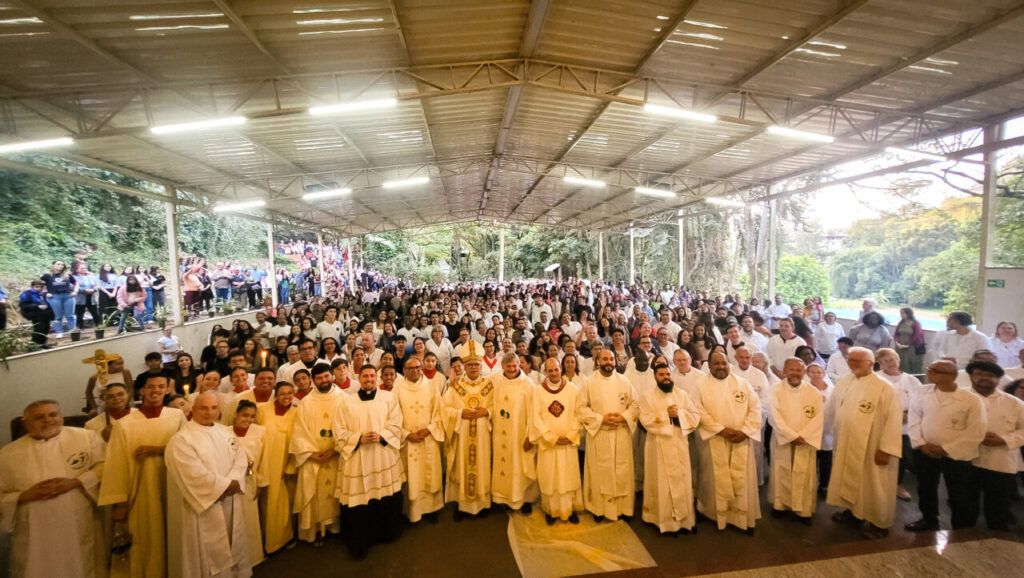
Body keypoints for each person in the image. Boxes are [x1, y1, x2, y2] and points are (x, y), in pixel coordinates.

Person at [0, 400, 106, 578]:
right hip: (34, 533)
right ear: (25, 422)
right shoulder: (7, 454)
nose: (47, 420)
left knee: (83, 565)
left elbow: (106, 467)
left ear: (61, 416)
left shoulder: (87, 438)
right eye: (39, 417)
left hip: (77, 523)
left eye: (52, 415)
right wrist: (24, 495)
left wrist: (76, 482)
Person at [98, 374, 188, 578]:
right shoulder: (124, 424)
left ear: (167, 390)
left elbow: (187, 449)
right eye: (151, 387)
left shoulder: (176, 417)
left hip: (172, 486)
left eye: (161, 386)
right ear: (141, 391)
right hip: (140, 492)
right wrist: (120, 502)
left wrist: (157, 450)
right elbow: (116, 464)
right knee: (146, 536)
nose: (156, 390)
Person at [164, 391, 250, 578]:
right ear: (193, 409)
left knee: (232, 540)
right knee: (206, 553)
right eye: (203, 407)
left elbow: (240, 457)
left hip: (228, 499)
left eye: (213, 408)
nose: (209, 412)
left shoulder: (223, 431)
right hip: (204, 504)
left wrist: (235, 480)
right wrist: (225, 486)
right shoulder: (181, 439)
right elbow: (191, 473)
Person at [826, 347, 902, 539]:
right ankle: (853, 513)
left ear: (870, 363)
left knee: (876, 485)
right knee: (850, 479)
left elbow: (893, 420)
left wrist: (887, 449)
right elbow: (831, 410)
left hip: (873, 446)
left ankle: (879, 523)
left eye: (857, 362)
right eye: (850, 361)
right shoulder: (844, 382)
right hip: (846, 442)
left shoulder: (883, 387)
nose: (852, 365)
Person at [905, 359, 986, 532]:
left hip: (956, 453)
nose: (930, 372)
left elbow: (976, 430)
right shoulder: (922, 391)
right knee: (926, 486)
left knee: (959, 490)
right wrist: (921, 444)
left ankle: (961, 525)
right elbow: (914, 418)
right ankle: (928, 519)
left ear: (953, 376)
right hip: (925, 450)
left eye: (936, 370)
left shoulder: (970, 399)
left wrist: (946, 449)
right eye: (930, 369)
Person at [333, 364, 405, 559]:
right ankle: (362, 540)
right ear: (359, 378)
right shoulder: (347, 403)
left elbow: (397, 423)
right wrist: (358, 438)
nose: (369, 380)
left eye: (372, 376)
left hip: (382, 455)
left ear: (377, 378)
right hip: (358, 459)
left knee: (384, 495)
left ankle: (386, 534)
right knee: (361, 500)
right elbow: (338, 431)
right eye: (365, 376)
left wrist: (382, 435)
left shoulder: (388, 398)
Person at [693, 352, 762, 534]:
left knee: (741, 480)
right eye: (716, 364)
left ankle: (741, 517)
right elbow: (698, 411)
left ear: (729, 363)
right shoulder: (701, 385)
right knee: (713, 480)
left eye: (724, 363)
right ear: (709, 365)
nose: (721, 367)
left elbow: (755, 408)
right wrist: (720, 430)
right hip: (714, 439)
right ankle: (714, 514)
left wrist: (745, 431)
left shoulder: (742, 384)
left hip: (741, 439)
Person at [576, 349, 638, 521]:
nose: (609, 362)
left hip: (620, 433)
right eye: (605, 359)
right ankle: (599, 509)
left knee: (622, 472)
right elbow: (580, 408)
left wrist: (624, 417)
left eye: (611, 359)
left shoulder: (624, 381)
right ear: (598, 361)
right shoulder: (589, 382)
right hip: (600, 434)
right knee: (600, 473)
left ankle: (623, 509)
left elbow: (634, 405)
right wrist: (600, 419)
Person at [639, 361, 700, 534]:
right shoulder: (647, 396)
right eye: (661, 375)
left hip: (679, 444)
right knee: (661, 484)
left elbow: (695, 416)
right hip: (658, 446)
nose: (666, 378)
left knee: (682, 480)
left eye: (667, 375)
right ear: (655, 377)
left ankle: (685, 521)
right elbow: (645, 419)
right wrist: (667, 416)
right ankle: (663, 521)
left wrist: (679, 415)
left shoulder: (682, 394)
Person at [289, 363, 345, 546]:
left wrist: (335, 449)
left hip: (337, 455)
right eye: (319, 378)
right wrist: (309, 454)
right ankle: (316, 532)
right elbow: (299, 430)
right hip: (314, 456)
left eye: (326, 376)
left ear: (332, 376)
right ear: (313, 380)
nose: (324, 380)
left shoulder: (344, 398)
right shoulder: (306, 402)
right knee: (315, 493)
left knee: (337, 491)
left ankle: (335, 528)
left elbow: (350, 425)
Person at [968, 361, 1024, 531]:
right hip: (967, 458)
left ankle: (998, 543)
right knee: (965, 505)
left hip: (1001, 459)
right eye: (979, 374)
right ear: (971, 376)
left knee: (998, 506)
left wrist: (1003, 439)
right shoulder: (960, 398)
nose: (984, 378)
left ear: (999, 379)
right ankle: (963, 539)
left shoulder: (1014, 403)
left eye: (990, 375)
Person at [441, 341, 495, 519]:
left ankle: (483, 503)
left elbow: (498, 407)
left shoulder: (490, 386)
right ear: (463, 366)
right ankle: (462, 504)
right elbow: (444, 409)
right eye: (470, 364)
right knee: (462, 467)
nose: (473, 368)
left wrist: (486, 411)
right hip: (462, 434)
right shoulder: (455, 387)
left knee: (482, 466)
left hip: (483, 436)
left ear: (482, 365)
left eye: (476, 364)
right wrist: (459, 413)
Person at [767, 358, 823, 523]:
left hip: (805, 441)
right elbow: (774, 416)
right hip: (782, 439)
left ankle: (803, 510)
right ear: (784, 371)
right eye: (791, 370)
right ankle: (780, 505)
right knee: (781, 471)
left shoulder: (813, 393)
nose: (795, 373)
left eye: (798, 370)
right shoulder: (775, 390)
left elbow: (818, 418)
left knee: (804, 474)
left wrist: (803, 436)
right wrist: (790, 435)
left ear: (804, 372)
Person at [531, 357, 583, 525]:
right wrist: (550, 437)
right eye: (550, 370)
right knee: (550, 477)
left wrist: (570, 435)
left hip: (568, 442)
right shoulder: (538, 391)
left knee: (569, 476)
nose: (554, 373)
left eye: (556, 369)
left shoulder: (572, 389)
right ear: (545, 371)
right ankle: (551, 510)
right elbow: (535, 417)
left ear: (561, 369)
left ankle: (570, 509)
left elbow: (578, 414)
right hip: (549, 444)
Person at [394, 356, 445, 523]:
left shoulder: (431, 386)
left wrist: (429, 429)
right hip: (409, 440)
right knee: (412, 475)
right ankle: (413, 511)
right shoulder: (397, 389)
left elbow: (439, 411)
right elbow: (393, 417)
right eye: (411, 368)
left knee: (430, 473)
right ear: (404, 371)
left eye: (417, 367)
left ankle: (432, 509)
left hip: (428, 437)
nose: (415, 370)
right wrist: (406, 433)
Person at [490, 348, 539, 515]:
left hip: (520, 434)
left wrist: (530, 436)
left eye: (515, 366)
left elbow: (534, 412)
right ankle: (504, 498)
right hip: (500, 433)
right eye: (508, 366)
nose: (512, 369)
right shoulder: (495, 379)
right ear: (502, 366)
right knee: (503, 464)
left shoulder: (528, 385)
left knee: (521, 466)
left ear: (520, 365)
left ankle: (524, 499)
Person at [256, 381, 297, 553]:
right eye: (282, 393)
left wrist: (290, 467)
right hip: (264, 463)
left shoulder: (296, 413)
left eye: (289, 393)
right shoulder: (263, 410)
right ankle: (265, 539)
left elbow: (298, 441)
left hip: (284, 466)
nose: (286, 396)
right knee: (265, 505)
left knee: (282, 505)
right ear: (276, 395)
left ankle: (283, 538)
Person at [875, 348, 921, 501]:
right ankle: (878, 485)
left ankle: (898, 485)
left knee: (902, 458)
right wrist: (894, 414)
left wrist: (909, 415)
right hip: (883, 424)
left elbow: (921, 402)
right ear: (880, 364)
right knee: (883, 455)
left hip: (906, 425)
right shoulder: (875, 379)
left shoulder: (911, 380)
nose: (890, 363)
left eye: (892, 359)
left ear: (898, 359)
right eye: (885, 361)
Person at [231, 401, 266, 567]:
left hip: (250, 481)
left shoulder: (259, 432)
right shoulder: (224, 432)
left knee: (250, 520)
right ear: (235, 415)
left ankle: (253, 557)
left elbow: (264, 458)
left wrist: (260, 482)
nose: (249, 420)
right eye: (245, 415)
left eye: (253, 416)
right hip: (231, 484)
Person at [41, 260, 78, 338]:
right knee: (58, 316)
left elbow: (76, 283)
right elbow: (39, 285)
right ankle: (59, 332)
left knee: (70, 315)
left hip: (68, 296)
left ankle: (73, 331)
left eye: (62, 264)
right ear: (53, 265)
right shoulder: (47, 276)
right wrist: (45, 293)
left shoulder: (67, 275)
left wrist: (75, 291)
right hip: (55, 297)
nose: (60, 266)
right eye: (58, 264)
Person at [893, 307, 926, 375]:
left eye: (903, 313)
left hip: (911, 348)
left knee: (910, 366)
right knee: (901, 364)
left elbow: (917, 335)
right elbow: (896, 334)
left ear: (908, 313)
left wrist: (908, 345)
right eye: (900, 313)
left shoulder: (915, 323)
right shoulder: (901, 322)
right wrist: (897, 342)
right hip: (900, 346)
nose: (901, 315)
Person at [18, 280, 51, 346]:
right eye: (37, 287)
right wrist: (37, 306)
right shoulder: (27, 294)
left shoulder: (43, 294)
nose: (39, 288)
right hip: (35, 313)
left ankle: (43, 343)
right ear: (32, 287)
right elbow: (23, 305)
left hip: (45, 313)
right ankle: (36, 344)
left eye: (41, 287)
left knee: (46, 328)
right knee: (39, 328)